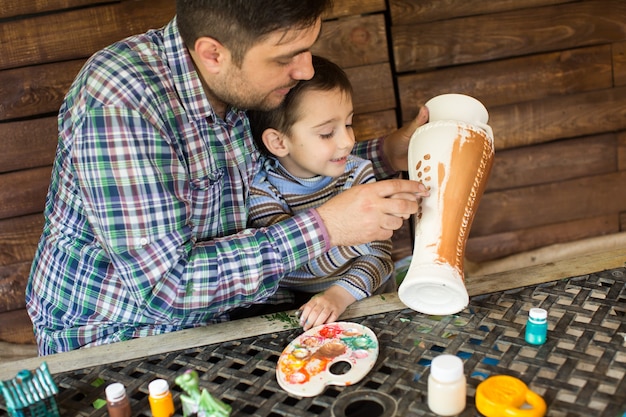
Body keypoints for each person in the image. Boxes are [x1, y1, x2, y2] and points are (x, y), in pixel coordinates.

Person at [25, 0, 429, 356]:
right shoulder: (119, 104)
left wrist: (382, 153)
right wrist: (326, 227)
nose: (305, 70)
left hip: (230, 315)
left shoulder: (240, 81)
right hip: (117, 337)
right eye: (287, 56)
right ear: (212, 53)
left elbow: (285, 157)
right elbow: (167, 288)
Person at [247, 56, 402, 331]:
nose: (348, 141)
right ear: (278, 142)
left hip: (367, 301)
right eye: (328, 132)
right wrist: (353, 242)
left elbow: (380, 256)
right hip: (301, 317)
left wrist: (338, 295)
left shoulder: (357, 172)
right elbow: (291, 268)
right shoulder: (262, 190)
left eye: (349, 124)